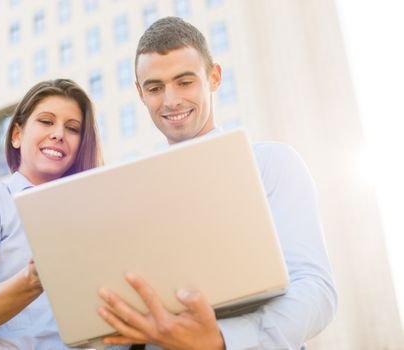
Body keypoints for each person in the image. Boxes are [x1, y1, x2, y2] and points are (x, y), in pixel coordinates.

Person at [96, 17, 338, 350]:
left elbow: (316, 291)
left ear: (214, 78)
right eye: (155, 88)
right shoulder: (126, 196)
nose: (170, 101)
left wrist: (221, 340)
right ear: (140, 93)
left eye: (185, 82)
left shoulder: (271, 164)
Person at [0, 79, 104, 349]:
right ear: (16, 135)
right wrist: (33, 279)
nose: (58, 134)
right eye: (46, 121)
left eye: (72, 128)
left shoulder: (93, 213)